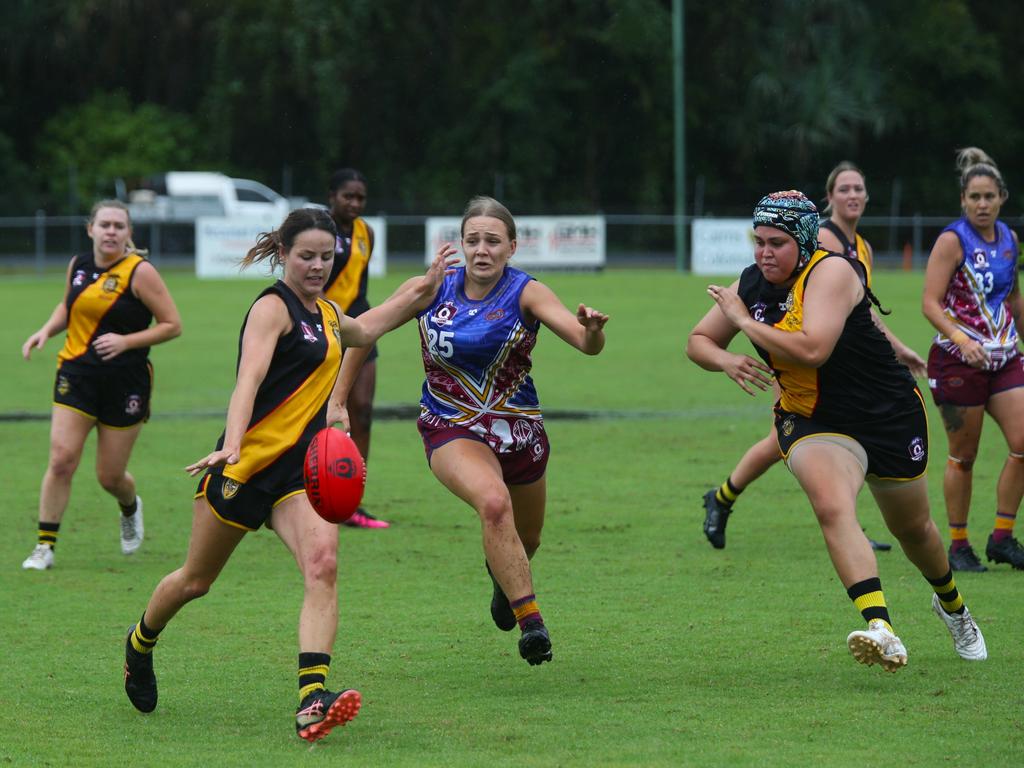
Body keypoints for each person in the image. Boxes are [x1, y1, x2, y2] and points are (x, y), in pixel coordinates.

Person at [121, 208, 452, 741]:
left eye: (326, 256)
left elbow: (366, 327)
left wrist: (425, 287)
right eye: (307, 256)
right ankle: (139, 644)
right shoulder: (271, 309)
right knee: (195, 581)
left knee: (323, 564)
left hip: (301, 474)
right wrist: (232, 442)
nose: (318, 265)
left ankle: (310, 700)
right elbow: (247, 380)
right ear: (284, 253)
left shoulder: (324, 311)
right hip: (245, 466)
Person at [687, 190, 986, 671]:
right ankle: (881, 628)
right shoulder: (752, 283)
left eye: (777, 243)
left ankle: (953, 607)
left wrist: (741, 321)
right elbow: (698, 340)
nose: (764, 253)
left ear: (803, 241)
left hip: (886, 415)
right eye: (758, 241)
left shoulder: (831, 272)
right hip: (811, 418)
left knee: (914, 531)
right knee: (832, 505)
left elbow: (812, 349)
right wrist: (725, 358)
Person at [335, 196, 608, 666]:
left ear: (512, 247)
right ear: (460, 244)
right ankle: (532, 624)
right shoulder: (431, 288)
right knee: (492, 502)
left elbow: (585, 344)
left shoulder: (527, 293)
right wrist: (338, 399)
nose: (482, 250)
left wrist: (593, 330)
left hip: (520, 431)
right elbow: (363, 331)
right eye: (472, 240)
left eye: (493, 241)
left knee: (529, 539)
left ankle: (503, 581)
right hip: (450, 424)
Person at [700, 162, 927, 553]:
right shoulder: (821, 243)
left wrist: (898, 347)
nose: (853, 195)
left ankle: (725, 497)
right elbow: (812, 326)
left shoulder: (863, 247)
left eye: (859, 188)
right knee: (786, 439)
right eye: (844, 189)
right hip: (797, 356)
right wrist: (735, 346)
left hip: (837, 362)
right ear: (829, 198)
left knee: (792, 442)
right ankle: (725, 497)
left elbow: (859, 314)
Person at [20, 200, 181, 570]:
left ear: (129, 234)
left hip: (126, 383)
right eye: (105, 225)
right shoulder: (78, 265)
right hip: (76, 375)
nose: (111, 232)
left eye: (119, 226)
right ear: (90, 229)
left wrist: (126, 342)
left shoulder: (140, 272)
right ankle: (45, 546)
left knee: (109, 476)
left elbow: (172, 324)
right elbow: (68, 306)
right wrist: (46, 330)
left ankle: (129, 506)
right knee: (61, 460)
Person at [922, 147, 1024, 572]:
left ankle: (1002, 537)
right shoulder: (952, 240)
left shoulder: (1009, 239)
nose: (982, 204)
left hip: (1004, 357)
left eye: (989, 197)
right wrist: (960, 339)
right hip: (957, 361)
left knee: (1022, 444)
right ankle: (959, 545)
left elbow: (1013, 297)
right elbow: (929, 302)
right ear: (963, 200)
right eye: (974, 197)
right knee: (964, 457)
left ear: (1002, 197)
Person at [324, 168, 388, 529]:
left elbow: (359, 285)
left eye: (360, 197)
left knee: (362, 410)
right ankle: (309, 490)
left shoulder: (367, 233)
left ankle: (351, 500)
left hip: (359, 329)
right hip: (321, 329)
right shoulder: (319, 229)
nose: (354, 203)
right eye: (347, 196)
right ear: (331, 196)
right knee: (318, 415)